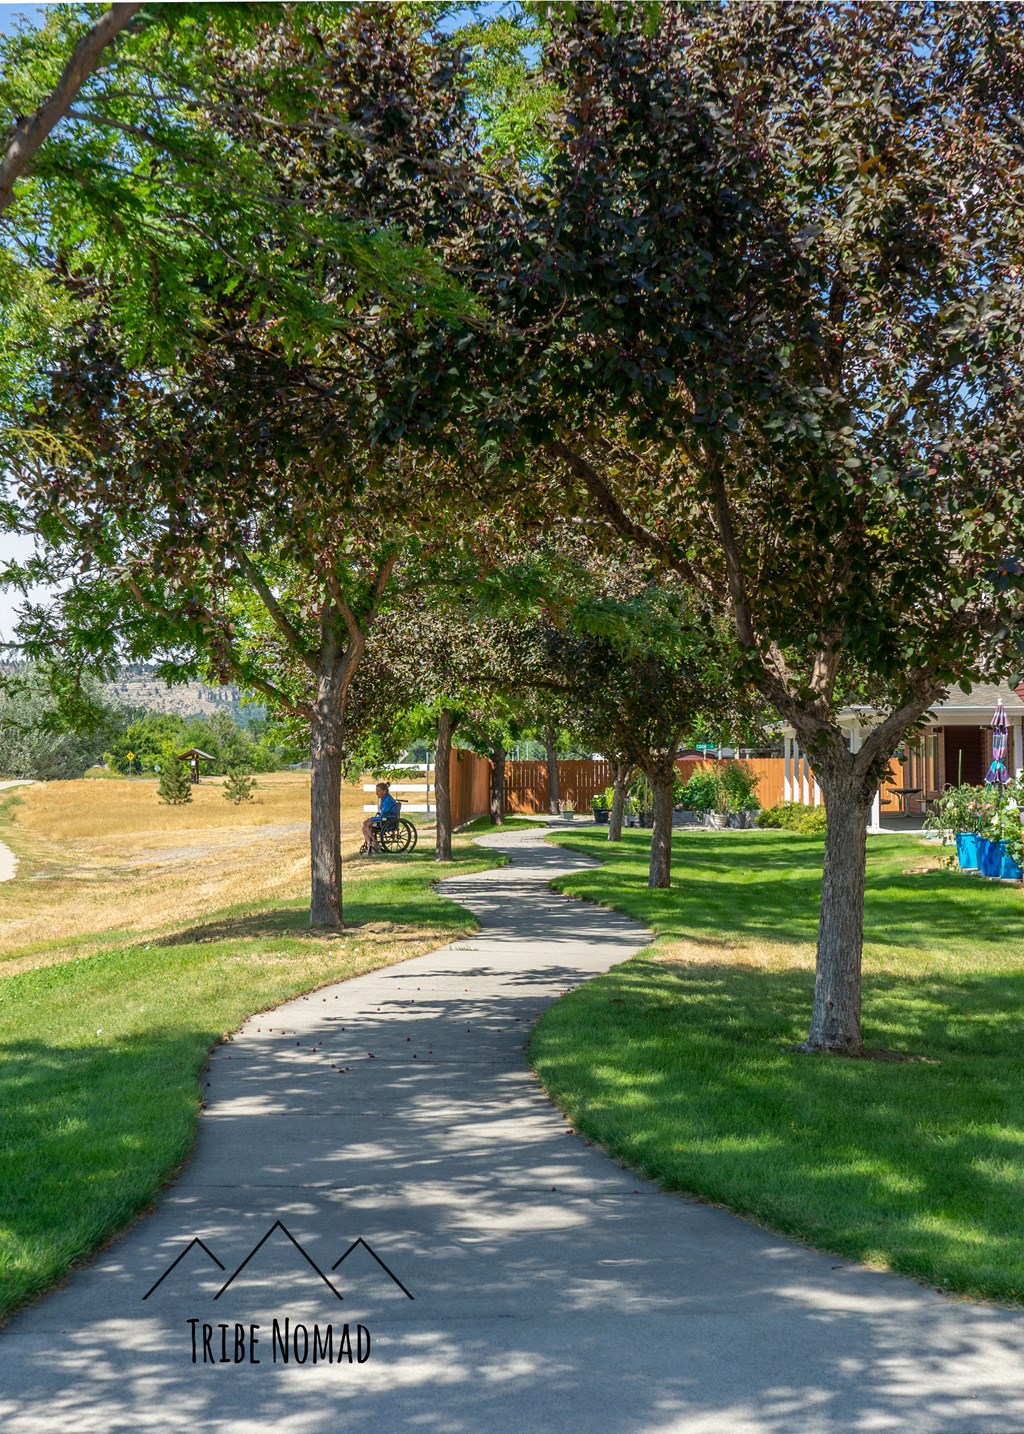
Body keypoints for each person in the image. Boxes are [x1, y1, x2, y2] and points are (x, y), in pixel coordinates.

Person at [362, 781, 400, 853]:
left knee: (367, 824)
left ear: (384, 791)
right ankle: (370, 844)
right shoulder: (384, 799)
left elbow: (384, 815)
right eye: (376, 791)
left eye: (378, 791)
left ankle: (374, 843)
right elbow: (383, 814)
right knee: (365, 825)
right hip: (385, 818)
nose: (376, 793)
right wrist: (372, 819)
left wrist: (372, 819)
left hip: (388, 820)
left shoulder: (387, 800)